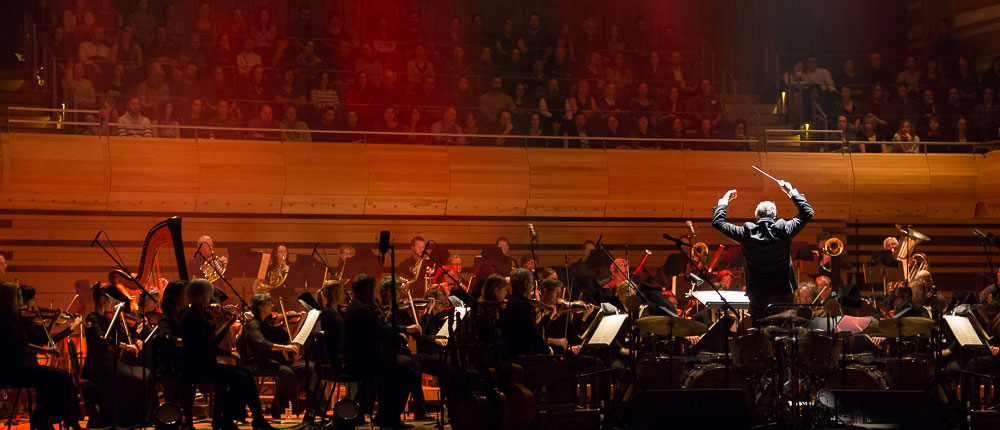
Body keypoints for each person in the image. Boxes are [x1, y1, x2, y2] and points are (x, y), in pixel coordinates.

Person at [712, 179, 813, 324]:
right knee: (782, 332)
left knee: (760, 334)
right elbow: (807, 212)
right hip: (782, 295)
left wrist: (724, 201)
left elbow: (718, 222)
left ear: (756, 217)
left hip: (757, 296)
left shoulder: (746, 233)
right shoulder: (785, 230)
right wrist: (791, 192)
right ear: (774, 216)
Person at [181, 279, 276, 430]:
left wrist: (226, 331)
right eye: (210, 294)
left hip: (205, 364)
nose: (212, 298)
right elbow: (205, 347)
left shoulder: (198, 314)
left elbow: (210, 344)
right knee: (240, 377)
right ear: (203, 295)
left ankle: (256, 418)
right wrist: (227, 352)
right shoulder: (192, 316)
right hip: (197, 367)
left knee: (247, 371)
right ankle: (229, 418)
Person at [0, 282, 82, 430]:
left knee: (57, 379)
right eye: (19, 295)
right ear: (11, 298)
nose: (22, 299)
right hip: (12, 369)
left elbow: (40, 339)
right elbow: (20, 344)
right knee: (61, 377)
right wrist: (47, 351)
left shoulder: (19, 319)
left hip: (23, 367)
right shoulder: (5, 320)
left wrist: (51, 321)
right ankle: (64, 419)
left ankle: (45, 419)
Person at [342, 274, 417, 429]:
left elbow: (380, 328)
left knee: (398, 370)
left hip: (358, 359)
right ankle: (389, 418)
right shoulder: (363, 309)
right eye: (374, 289)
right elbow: (382, 330)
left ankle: (384, 416)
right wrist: (400, 336)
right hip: (362, 363)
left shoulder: (357, 306)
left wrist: (399, 331)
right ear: (368, 289)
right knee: (406, 373)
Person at [242, 293, 322, 424]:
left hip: (275, 362)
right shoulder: (253, 324)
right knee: (287, 372)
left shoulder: (270, 324)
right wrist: (285, 348)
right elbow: (262, 343)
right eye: (269, 303)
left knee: (310, 367)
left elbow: (289, 341)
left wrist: (299, 323)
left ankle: (317, 407)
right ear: (261, 307)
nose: (272, 306)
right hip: (259, 363)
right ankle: (277, 409)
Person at [82, 283, 153, 428]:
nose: (112, 302)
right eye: (111, 299)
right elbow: (102, 338)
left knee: (146, 374)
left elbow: (120, 335)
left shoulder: (108, 318)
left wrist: (135, 338)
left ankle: (138, 418)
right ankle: (131, 419)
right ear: (104, 299)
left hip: (109, 363)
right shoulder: (92, 318)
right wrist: (126, 346)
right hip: (98, 366)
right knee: (142, 376)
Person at [500, 268, 549, 357]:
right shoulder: (521, 306)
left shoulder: (512, 301)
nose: (532, 287)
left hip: (516, 352)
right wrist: (547, 350)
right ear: (526, 284)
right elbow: (534, 333)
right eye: (532, 284)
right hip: (523, 355)